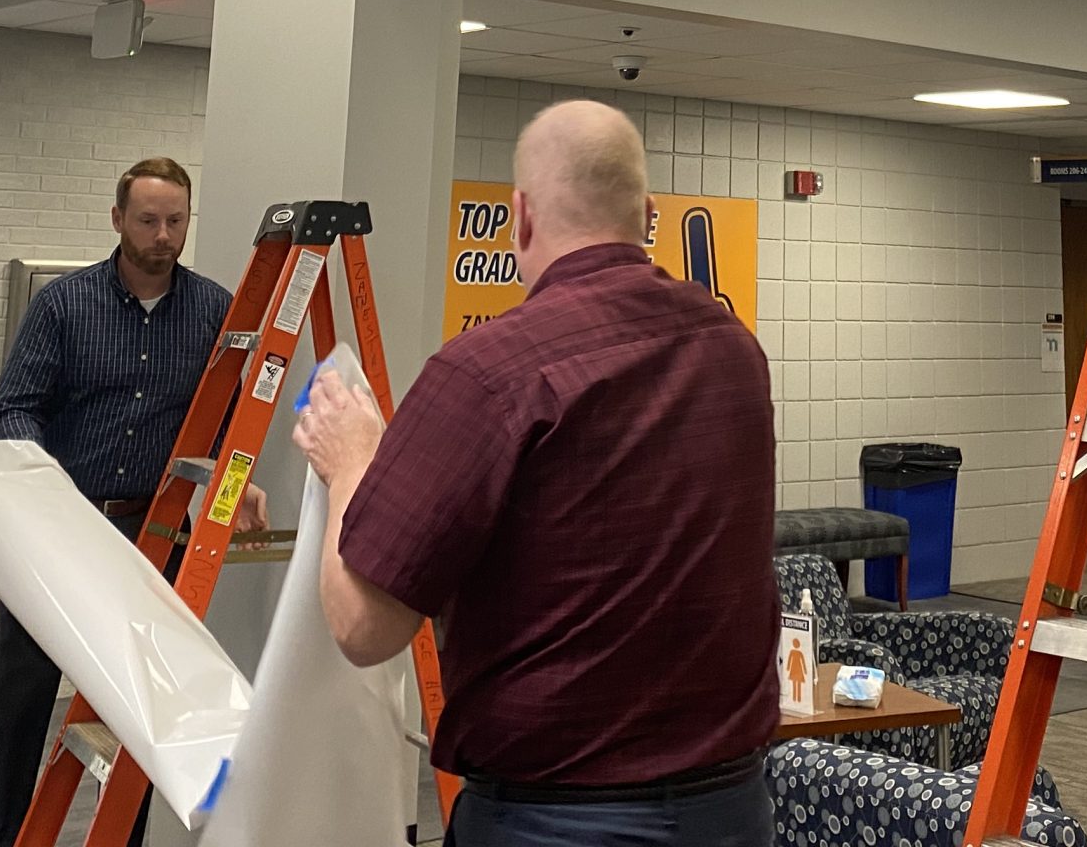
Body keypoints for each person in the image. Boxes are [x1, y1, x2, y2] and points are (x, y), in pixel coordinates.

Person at [295, 99, 778, 847]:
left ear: (520, 217)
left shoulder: (489, 371)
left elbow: (364, 626)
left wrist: (352, 460)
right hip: (732, 809)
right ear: (647, 214)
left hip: (554, 821)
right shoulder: (735, 351)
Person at [0, 155, 262, 847]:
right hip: (58, 540)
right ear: (118, 219)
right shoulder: (63, 305)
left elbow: (229, 424)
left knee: (147, 713)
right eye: (148, 220)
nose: (162, 235)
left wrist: (235, 484)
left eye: (176, 221)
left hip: (152, 539)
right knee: (16, 706)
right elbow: (12, 412)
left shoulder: (214, 310)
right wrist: (41, 496)